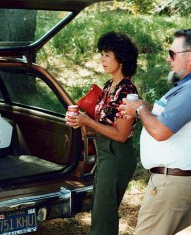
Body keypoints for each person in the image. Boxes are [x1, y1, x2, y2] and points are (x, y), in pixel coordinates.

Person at [119, 28, 191, 234]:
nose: (169, 59)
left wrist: (139, 109)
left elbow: (161, 131)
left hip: (172, 183)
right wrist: (145, 108)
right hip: (182, 180)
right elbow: (170, 118)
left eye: (172, 54)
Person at [66, 31, 139, 235]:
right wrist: (80, 121)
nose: (102, 59)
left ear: (121, 58)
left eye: (107, 54)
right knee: (100, 212)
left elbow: (121, 135)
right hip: (105, 154)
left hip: (117, 154)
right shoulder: (109, 86)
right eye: (102, 54)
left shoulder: (127, 92)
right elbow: (101, 123)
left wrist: (88, 121)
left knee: (103, 218)